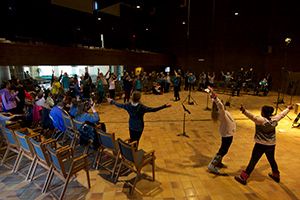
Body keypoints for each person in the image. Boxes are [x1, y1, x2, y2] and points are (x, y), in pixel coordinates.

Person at [235, 104, 293, 185]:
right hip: (271, 145)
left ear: (263, 113)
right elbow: (282, 114)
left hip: (260, 145)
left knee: (253, 160)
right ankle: (276, 175)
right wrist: (288, 108)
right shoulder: (275, 119)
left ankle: (243, 177)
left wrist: (243, 110)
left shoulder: (260, 120)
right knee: (272, 160)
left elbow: (252, 116)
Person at [207, 86, 236, 174]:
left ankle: (218, 162)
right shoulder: (221, 113)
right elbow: (219, 105)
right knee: (223, 150)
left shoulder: (222, 113)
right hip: (227, 134)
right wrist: (214, 96)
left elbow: (217, 104)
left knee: (223, 148)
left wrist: (212, 95)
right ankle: (212, 164)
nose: (223, 105)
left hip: (228, 133)